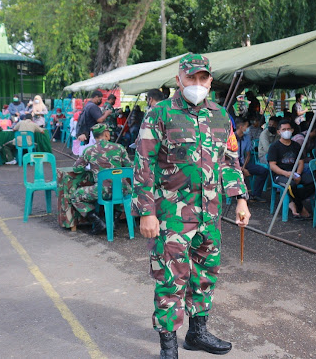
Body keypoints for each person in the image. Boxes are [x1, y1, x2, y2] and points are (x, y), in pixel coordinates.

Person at [132, 54, 250, 357]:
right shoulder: (160, 114)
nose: (197, 84)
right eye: (191, 78)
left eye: (203, 78)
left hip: (210, 213)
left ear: (210, 81)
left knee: (205, 273)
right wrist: (146, 211)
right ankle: (168, 345)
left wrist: (240, 198)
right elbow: (143, 164)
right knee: (170, 278)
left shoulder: (221, 116)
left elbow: (229, 160)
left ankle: (197, 333)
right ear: (178, 80)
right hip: (171, 213)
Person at [70, 123, 131, 235]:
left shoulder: (89, 150)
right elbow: (129, 167)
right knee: (119, 193)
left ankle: (97, 221)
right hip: (123, 189)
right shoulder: (119, 148)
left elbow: (77, 169)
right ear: (106, 134)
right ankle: (114, 221)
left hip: (103, 191)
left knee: (75, 196)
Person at [268, 119, 316, 219]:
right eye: (284, 129)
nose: (286, 131)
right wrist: (286, 174)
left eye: (288, 129)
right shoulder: (274, 147)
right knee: (291, 185)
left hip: (295, 173)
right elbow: (272, 165)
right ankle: (301, 208)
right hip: (280, 175)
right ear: (279, 131)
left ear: (292, 130)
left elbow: (301, 162)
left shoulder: (296, 145)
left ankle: (293, 200)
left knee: (314, 182)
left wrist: (297, 174)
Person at [234, 117, 267, 202]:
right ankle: (241, 198)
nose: (248, 128)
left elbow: (248, 155)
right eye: (246, 126)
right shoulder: (231, 138)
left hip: (243, 164)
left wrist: (244, 167)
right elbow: (229, 157)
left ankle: (255, 195)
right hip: (232, 165)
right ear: (241, 127)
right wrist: (240, 169)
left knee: (263, 171)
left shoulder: (247, 138)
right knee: (240, 175)